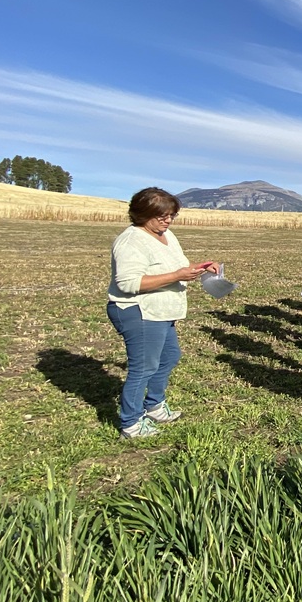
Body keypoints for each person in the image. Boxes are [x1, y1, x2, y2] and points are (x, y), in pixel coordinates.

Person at [107, 187, 217, 439]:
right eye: (162, 216)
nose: (168, 221)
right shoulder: (131, 241)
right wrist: (177, 276)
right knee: (143, 367)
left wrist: (200, 267)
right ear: (142, 213)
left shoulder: (166, 235)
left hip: (160, 311)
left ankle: (154, 405)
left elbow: (177, 267)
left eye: (172, 215)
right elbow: (128, 283)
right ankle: (131, 423)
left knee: (169, 357)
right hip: (139, 312)